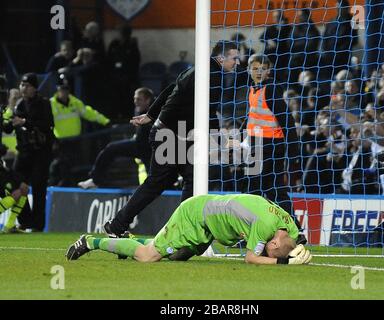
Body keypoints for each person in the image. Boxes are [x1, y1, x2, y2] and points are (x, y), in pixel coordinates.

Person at [102, 41, 241, 237]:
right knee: (167, 182)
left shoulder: (197, 70)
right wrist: (222, 140)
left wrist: (150, 115)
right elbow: (208, 111)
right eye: (235, 58)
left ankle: (180, 230)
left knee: (189, 179)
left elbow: (170, 89)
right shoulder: (214, 75)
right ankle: (178, 230)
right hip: (170, 137)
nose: (237, 63)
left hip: (173, 135)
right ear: (221, 58)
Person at [66, 193, 312, 265]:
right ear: (274, 244)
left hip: (209, 224)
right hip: (195, 215)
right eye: (270, 251)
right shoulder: (264, 227)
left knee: (177, 256)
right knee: (148, 256)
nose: (266, 251)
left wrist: (300, 251)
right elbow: (250, 258)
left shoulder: (288, 227)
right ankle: (90, 242)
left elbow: (296, 241)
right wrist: (284, 263)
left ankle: (130, 242)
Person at [228, 54, 299, 218]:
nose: (259, 72)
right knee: (273, 189)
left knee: (253, 188)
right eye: (255, 68)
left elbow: (287, 120)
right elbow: (250, 117)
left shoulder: (271, 89)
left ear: (269, 71)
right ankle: (294, 227)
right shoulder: (253, 90)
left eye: (263, 69)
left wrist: (294, 151)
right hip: (258, 144)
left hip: (270, 146)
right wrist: (237, 138)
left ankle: (246, 227)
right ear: (248, 70)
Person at [3, 73, 55, 231]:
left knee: (39, 189)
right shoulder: (19, 105)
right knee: (15, 185)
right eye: (22, 85)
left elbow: (48, 124)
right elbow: (7, 127)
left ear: (34, 88)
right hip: (24, 152)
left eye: (27, 86)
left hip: (41, 152)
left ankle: (38, 226)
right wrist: (10, 106)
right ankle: (25, 221)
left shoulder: (43, 103)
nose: (23, 88)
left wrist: (25, 122)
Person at [77, 87, 154, 189]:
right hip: (138, 145)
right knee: (110, 149)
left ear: (148, 100)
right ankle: (95, 180)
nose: (136, 102)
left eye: (139, 99)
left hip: (152, 149)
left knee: (155, 177)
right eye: (135, 99)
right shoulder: (138, 109)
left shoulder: (156, 110)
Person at [48, 76, 110, 186]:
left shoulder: (75, 102)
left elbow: (88, 113)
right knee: (62, 167)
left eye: (66, 89)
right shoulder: (51, 104)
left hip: (75, 141)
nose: (64, 92)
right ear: (57, 90)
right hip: (60, 142)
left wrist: (105, 121)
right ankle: (63, 187)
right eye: (62, 89)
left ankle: (73, 186)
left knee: (74, 166)